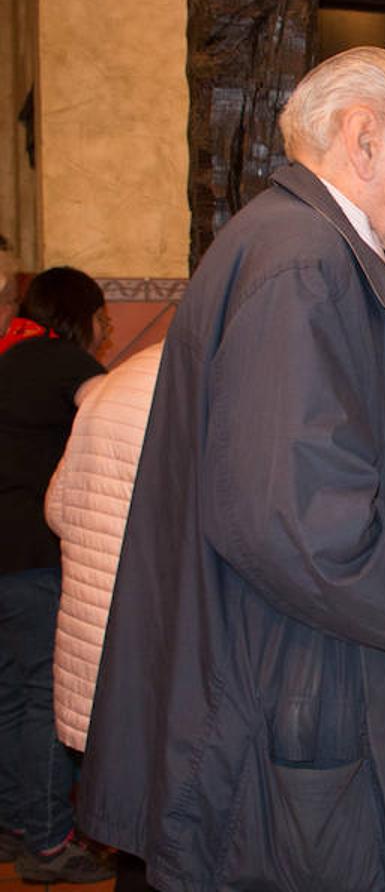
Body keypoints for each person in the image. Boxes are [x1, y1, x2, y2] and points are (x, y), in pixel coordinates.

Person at [76, 46, 385, 892]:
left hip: (287, 679)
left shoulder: (303, 250)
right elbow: (298, 528)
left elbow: (322, 478)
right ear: (363, 140)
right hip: (284, 705)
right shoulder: (305, 267)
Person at [0, 266, 113, 884]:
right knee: (46, 698)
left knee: (10, 693)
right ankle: (47, 844)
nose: (105, 332)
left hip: (3, 559)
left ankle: (15, 822)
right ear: (80, 316)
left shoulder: (10, 358)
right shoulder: (67, 368)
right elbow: (115, 426)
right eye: (101, 318)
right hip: (35, 557)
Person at [45, 342, 163, 892]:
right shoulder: (213, 378)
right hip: (153, 649)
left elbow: (59, 508)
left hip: (93, 646)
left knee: (136, 833)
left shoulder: (114, 381)